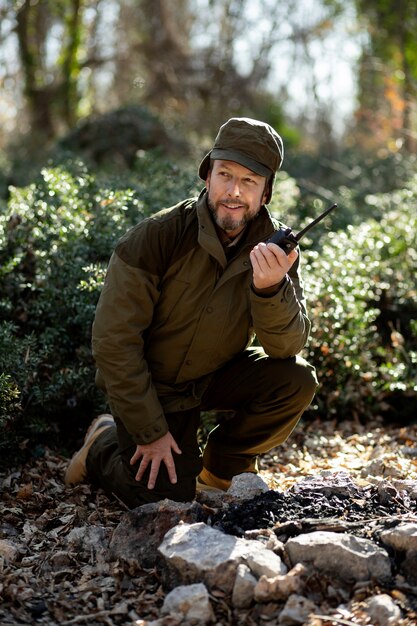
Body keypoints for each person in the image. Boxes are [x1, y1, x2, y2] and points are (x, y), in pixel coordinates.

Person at [65, 117, 318, 507]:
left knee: (296, 379)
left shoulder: (276, 249)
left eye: (249, 181)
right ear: (207, 176)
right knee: (161, 496)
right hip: (157, 386)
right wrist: (149, 430)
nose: (233, 191)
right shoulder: (156, 237)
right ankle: (103, 442)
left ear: (266, 193)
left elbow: (286, 347)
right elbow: (114, 342)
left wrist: (270, 290)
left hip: (218, 372)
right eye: (225, 175)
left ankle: (223, 464)